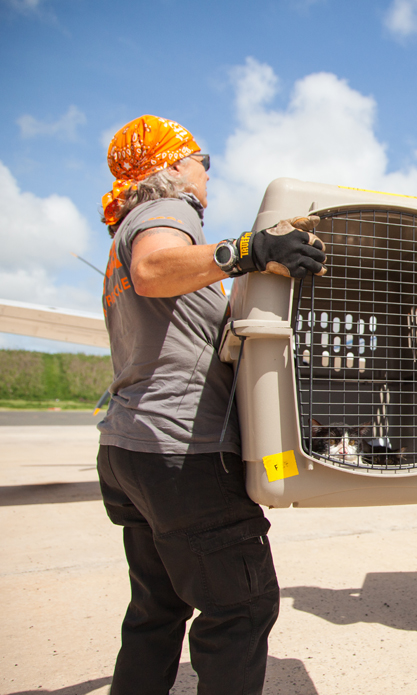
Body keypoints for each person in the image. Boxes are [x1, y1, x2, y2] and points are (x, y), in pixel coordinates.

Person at [96, 114, 326, 693]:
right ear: (173, 164)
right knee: (241, 609)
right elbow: (153, 270)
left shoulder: (125, 231)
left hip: (134, 449)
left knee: (159, 610)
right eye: (203, 159)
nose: (207, 172)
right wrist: (248, 249)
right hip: (185, 454)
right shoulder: (166, 209)